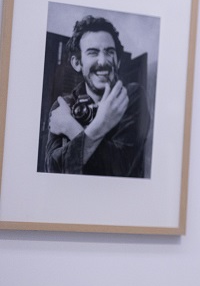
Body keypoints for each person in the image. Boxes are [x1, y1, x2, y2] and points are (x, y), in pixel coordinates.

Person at [45, 15, 150, 178]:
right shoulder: (63, 106)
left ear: (118, 61)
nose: (103, 61)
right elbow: (54, 169)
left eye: (109, 52)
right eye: (93, 52)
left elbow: (120, 169)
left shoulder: (132, 96)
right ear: (77, 63)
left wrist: (70, 126)